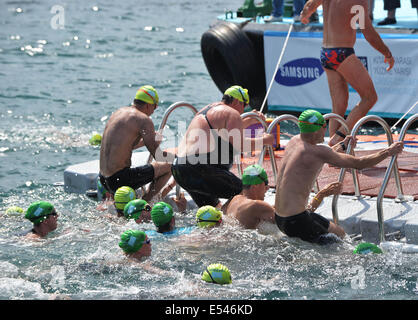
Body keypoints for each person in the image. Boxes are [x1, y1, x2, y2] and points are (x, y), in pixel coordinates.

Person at [274, 109, 404, 244]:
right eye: (324, 127)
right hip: (297, 220)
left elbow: (322, 156)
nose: (324, 131)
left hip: (280, 219)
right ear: (318, 129)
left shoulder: (294, 142)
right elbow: (359, 164)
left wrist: (343, 145)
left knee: (340, 233)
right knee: (340, 246)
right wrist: (389, 151)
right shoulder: (318, 152)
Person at [301, 0, 395, 148]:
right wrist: (387, 53)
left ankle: (333, 150)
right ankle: (338, 138)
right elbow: (368, 32)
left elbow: (310, 6)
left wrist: (305, 14)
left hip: (326, 52)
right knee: (370, 97)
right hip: (342, 53)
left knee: (339, 106)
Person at [171, 85, 275, 208]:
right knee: (247, 193)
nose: (243, 110)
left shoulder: (208, 110)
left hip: (179, 169)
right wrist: (265, 140)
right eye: (244, 105)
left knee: (213, 211)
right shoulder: (232, 113)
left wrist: (250, 120)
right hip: (198, 169)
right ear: (237, 101)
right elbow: (239, 144)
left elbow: (224, 133)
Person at [99, 85, 175, 202]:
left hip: (103, 178)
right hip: (120, 180)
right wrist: (178, 157)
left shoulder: (119, 113)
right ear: (149, 105)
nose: (153, 111)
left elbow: (124, 145)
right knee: (169, 164)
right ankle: (146, 202)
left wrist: (145, 142)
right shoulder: (143, 120)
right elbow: (158, 156)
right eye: (155, 107)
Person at [224, 164, 342, 230]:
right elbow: (294, 219)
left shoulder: (233, 201)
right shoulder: (256, 205)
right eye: (265, 184)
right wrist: (320, 196)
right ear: (256, 186)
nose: (267, 188)